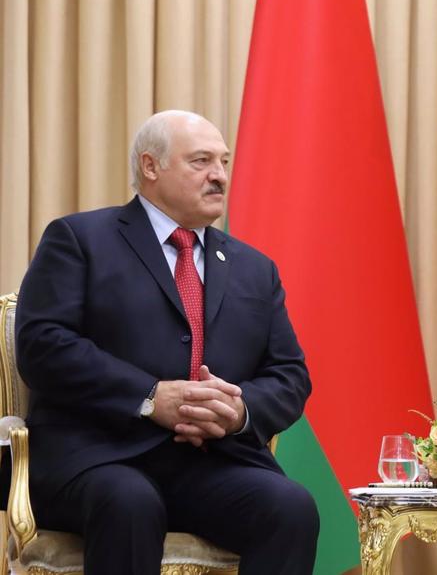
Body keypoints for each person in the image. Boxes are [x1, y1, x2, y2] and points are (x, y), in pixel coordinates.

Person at [12, 110, 319, 574]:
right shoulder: (79, 239)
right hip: (99, 456)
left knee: (290, 507)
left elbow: (289, 374)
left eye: (224, 162)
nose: (219, 175)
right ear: (151, 167)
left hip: (212, 463)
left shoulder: (255, 268)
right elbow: (43, 345)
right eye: (201, 161)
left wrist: (239, 411)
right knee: (130, 502)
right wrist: (151, 398)